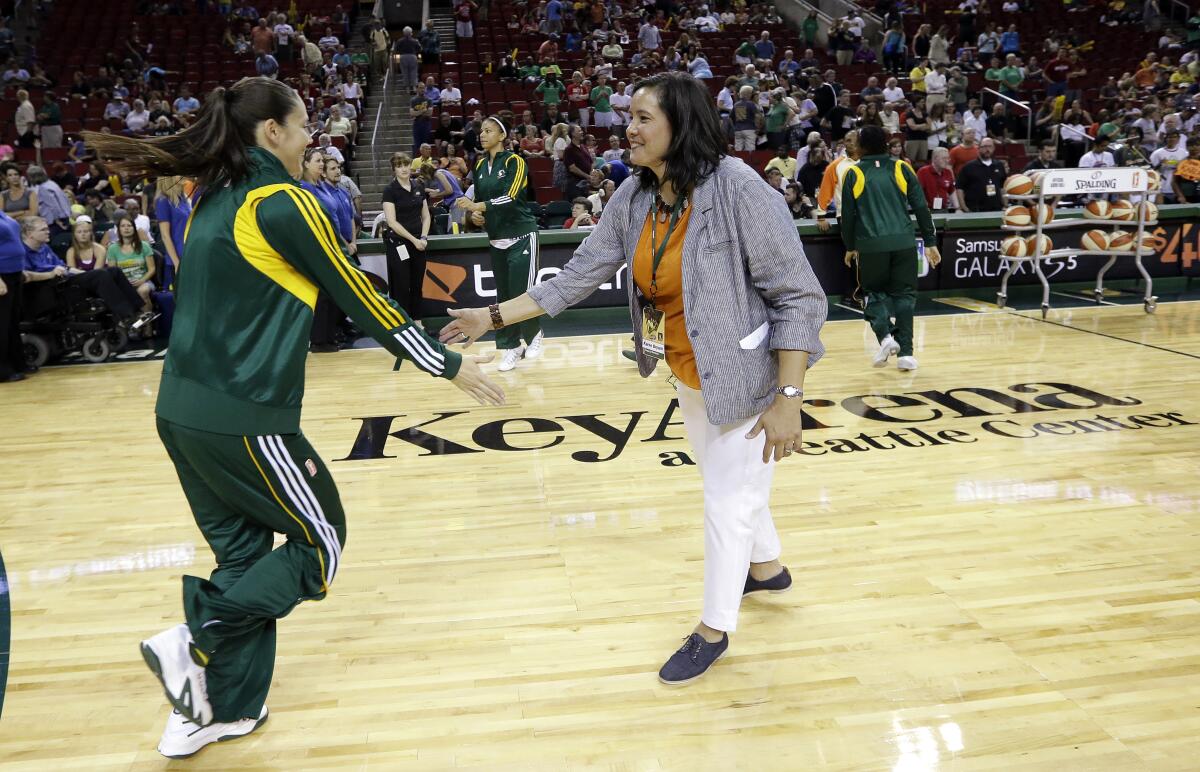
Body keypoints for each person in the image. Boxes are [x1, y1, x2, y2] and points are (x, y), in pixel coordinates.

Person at [80, 76, 502, 759]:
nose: (314, 137)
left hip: (180, 411)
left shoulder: (212, 194)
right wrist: (448, 365)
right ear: (271, 132)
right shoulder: (285, 201)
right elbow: (355, 290)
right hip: (244, 416)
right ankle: (196, 636)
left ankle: (213, 712)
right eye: (304, 124)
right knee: (322, 541)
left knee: (246, 559)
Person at [439, 72, 827, 686]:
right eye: (631, 116)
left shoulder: (738, 188)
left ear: (682, 124)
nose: (630, 126)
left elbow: (799, 297)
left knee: (726, 497)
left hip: (750, 375)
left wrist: (789, 396)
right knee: (728, 476)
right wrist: (490, 316)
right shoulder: (636, 194)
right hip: (687, 369)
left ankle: (714, 628)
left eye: (644, 117)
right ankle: (767, 568)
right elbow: (576, 276)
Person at [840, 126, 941, 372]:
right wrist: (930, 241)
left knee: (872, 294)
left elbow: (848, 217)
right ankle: (906, 354)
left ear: (861, 147)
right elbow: (921, 208)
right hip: (904, 243)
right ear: (886, 144)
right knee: (905, 296)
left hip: (871, 245)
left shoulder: (854, 173)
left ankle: (886, 338)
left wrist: (850, 246)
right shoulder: (902, 168)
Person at [453, 116, 545, 372]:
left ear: (502, 136)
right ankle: (510, 346)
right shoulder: (480, 165)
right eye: (481, 130)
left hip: (522, 235)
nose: (482, 134)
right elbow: (479, 204)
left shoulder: (515, 161)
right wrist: (476, 215)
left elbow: (512, 197)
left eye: (488, 130)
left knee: (522, 293)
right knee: (502, 297)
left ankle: (534, 334)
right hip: (496, 239)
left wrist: (478, 206)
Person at [381, 152, 431, 323]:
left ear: (411, 166)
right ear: (394, 169)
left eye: (406, 164)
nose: (403, 169)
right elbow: (392, 222)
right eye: (399, 166)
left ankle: (418, 323)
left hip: (419, 242)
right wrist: (414, 240)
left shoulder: (419, 186)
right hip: (399, 243)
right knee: (402, 285)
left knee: (417, 284)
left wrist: (423, 237)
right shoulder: (390, 191)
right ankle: (403, 323)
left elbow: (426, 216)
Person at [0, 208, 28, 382]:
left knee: (13, 322)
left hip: (15, 273)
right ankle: (2, 370)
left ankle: (17, 363)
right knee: (1, 324)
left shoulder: (3, 214)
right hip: (2, 276)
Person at [955, 137, 1008, 212]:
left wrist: (1005, 205)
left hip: (996, 208)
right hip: (975, 209)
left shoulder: (999, 165)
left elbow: (1002, 187)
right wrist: (964, 207)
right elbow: (959, 187)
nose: (987, 149)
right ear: (979, 148)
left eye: (990, 146)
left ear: (994, 148)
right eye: (984, 146)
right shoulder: (969, 167)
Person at [917, 147, 957, 211]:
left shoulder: (948, 172)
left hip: (943, 209)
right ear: (935, 158)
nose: (947, 161)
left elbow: (952, 191)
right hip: (928, 210)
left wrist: (957, 208)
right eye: (944, 158)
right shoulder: (923, 172)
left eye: (948, 158)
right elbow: (918, 192)